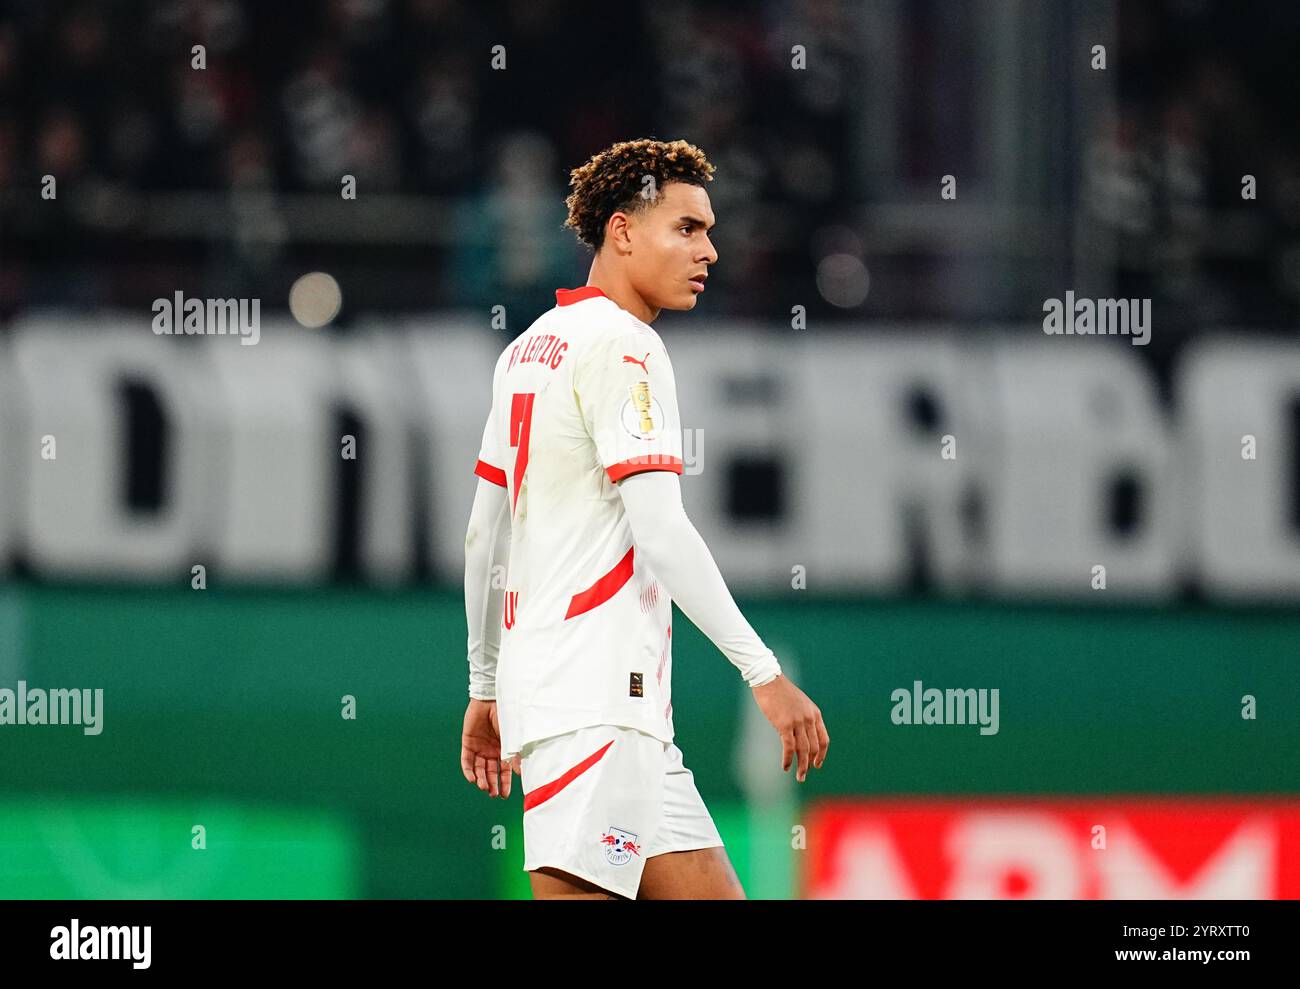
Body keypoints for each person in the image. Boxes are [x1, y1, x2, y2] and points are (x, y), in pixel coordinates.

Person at [461, 138, 829, 900]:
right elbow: (661, 533)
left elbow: (481, 536)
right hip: (597, 706)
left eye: (710, 230)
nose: (711, 251)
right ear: (623, 231)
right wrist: (763, 673)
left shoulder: (526, 349)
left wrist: (486, 681)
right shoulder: (628, 349)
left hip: (602, 716)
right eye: (687, 228)